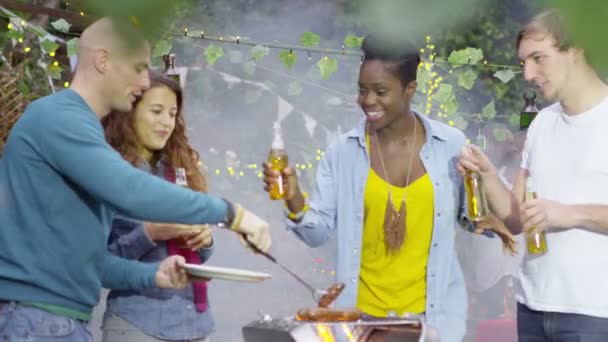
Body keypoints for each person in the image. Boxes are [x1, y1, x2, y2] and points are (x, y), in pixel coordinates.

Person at [0, 17, 269, 342]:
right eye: (138, 67)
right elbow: (129, 190)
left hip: (57, 322)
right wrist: (232, 213)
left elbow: (93, 263)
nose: (145, 82)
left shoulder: (81, 131)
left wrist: (152, 275)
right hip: (36, 320)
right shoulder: (59, 117)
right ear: (102, 60)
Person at [262, 35, 511, 342]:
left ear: (410, 90)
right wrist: (293, 197)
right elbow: (317, 232)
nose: (368, 101)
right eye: (362, 90)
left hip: (433, 321)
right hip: (361, 321)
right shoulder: (343, 152)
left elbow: (473, 216)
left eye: (380, 91)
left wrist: (494, 217)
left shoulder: (450, 145)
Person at [458, 9, 608, 341]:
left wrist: (569, 214)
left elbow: (557, 213)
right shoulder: (541, 123)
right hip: (533, 308)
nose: (528, 73)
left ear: (576, 50)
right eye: (524, 62)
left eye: (538, 58)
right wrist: (487, 173)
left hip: (596, 314)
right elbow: (515, 218)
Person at [100, 73, 216, 341]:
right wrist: (150, 233)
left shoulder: (180, 169)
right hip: (139, 324)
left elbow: (198, 256)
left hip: (196, 324)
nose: (166, 122)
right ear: (130, 111)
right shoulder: (108, 173)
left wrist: (205, 239)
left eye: (172, 114)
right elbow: (97, 265)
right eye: (156, 111)